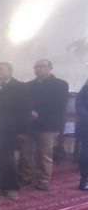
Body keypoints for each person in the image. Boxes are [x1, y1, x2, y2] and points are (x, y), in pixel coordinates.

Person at [19, 59, 69, 191]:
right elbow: (24, 103)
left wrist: (39, 113)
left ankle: (43, 179)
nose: (38, 69)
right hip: (30, 124)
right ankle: (27, 175)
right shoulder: (28, 85)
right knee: (27, 152)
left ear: (50, 68)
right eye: (36, 67)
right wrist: (30, 111)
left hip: (48, 124)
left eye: (41, 66)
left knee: (45, 154)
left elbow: (59, 106)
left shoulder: (60, 84)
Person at [0, 62, 31, 200]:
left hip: (12, 130)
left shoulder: (21, 87)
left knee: (8, 159)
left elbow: (25, 110)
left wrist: (23, 130)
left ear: (10, 71)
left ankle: (11, 187)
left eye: (1, 69)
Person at [75, 82, 88, 190]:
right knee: (86, 153)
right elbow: (79, 105)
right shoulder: (86, 88)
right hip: (86, 125)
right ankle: (84, 180)